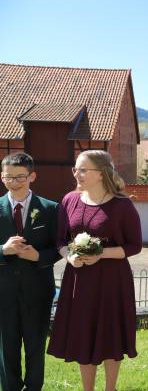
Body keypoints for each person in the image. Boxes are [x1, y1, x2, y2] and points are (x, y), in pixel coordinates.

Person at [47, 150, 142, 391]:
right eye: (75, 169)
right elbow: (59, 240)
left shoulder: (122, 205)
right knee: (83, 335)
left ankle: (111, 388)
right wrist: (70, 258)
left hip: (113, 282)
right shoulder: (69, 200)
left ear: (100, 174)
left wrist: (101, 254)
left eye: (82, 169)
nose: (76, 174)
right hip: (79, 280)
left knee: (111, 335)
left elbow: (134, 246)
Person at [0, 152, 58, 391]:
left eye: (20, 177)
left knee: (35, 347)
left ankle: (34, 387)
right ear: (2, 178)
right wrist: (3, 249)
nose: (15, 182)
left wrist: (39, 257)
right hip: (3, 292)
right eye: (9, 177)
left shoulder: (51, 208)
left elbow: (60, 248)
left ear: (32, 176)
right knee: (7, 348)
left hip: (38, 291)